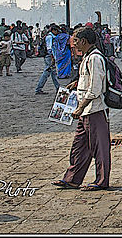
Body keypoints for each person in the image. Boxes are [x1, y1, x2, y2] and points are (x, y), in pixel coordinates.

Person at [53, 27, 111, 191]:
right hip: (86, 111)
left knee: (100, 148)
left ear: (84, 41)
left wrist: (80, 107)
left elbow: (95, 88)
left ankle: (101, 181)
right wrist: (76, 84)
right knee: (80, 147)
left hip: (95, 110)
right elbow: (88, 80)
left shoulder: (95, 58)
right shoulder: (87, 57)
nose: (74, 44)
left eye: (76, 41)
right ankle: (72, 178)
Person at [35, 26, 60, 94]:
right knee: (47, 72)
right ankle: (39, 88)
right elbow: (49, 49)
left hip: (49, 56)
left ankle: (57, 87)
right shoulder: (50, 37)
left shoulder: (49, 36)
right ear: (53, 30)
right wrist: (52, 58)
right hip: (49, 56)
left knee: (53, 72)